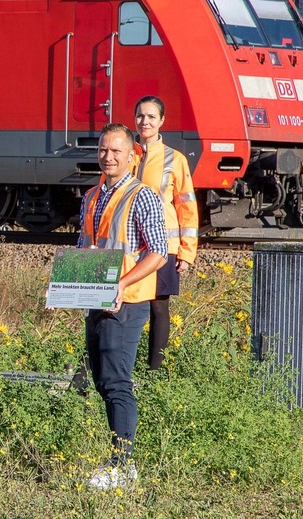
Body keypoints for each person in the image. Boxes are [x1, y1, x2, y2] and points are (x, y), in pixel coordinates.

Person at [77, 123, 167, 490]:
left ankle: (123, 464)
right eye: (103, 150)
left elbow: (158, 251)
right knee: (102, 380)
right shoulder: (92, 196)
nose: (108, 156)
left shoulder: (142, 195)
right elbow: (86, 248)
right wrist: (68, 289)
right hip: (97, 302)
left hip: (126, 303)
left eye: (116, 151)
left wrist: (123, 283)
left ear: (133, 156)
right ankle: (118, 457)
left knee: (116, 382)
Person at [133, 96, 199, 370]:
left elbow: (187, 207)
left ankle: (155, 372)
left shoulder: (175, 159)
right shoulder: (124, 153)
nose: (144, 122)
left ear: (162, 121)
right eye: (140, 116)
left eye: (150, 117)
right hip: (130, 244)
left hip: (164, 245)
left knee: (159, 308)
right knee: (124, 304)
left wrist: (187, 251)